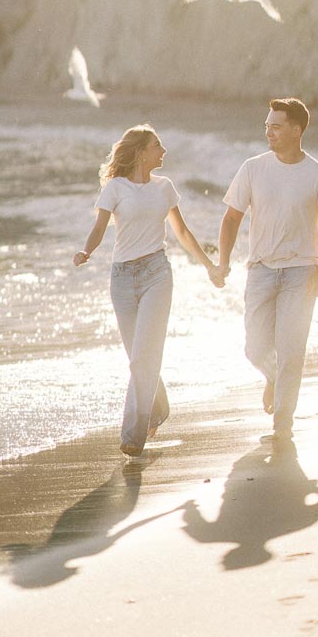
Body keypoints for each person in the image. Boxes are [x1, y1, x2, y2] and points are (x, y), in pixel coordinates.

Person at [74, 125, 223, 456]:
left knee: (145, 357)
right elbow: (99, 228)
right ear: (141, 152)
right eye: (158, 145)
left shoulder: (164, 188)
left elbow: (181, 231)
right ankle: (158, 407)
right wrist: (86, 251)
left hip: (157, 273)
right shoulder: (115, 188)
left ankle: (132, 434)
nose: (164, 150)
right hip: (122, 278)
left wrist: (208, 266)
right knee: (138, 358)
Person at [217, 98, 318, 445]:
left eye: (276, 126)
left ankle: (283, 423)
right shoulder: (253, 168)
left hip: (302, 272)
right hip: (261, 269)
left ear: (297, 130)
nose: (268, 132)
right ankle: (275, 378)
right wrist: (223, 261)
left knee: (292, 349)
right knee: (254, 346)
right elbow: (231, 218)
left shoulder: (317, 176)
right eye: (267, 126)